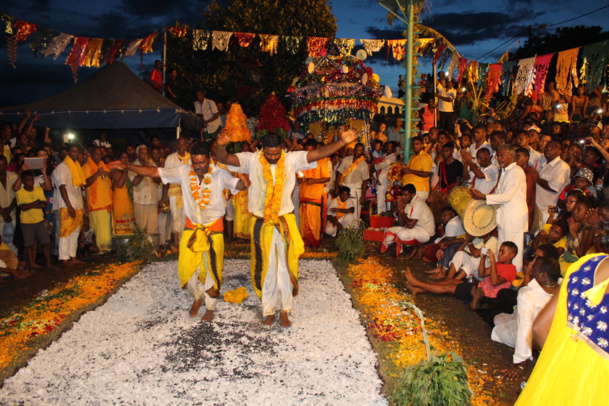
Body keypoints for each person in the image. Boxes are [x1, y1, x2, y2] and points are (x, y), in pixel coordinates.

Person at [215, 127, 360, 327]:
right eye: (269, 153)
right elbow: (225, 158)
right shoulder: (252, 160)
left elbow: (320, 152)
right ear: (262, 149)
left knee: (284, 267)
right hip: (261, 221)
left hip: (284, 220)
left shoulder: (291, 159)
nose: (273, 157)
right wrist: (221, 145)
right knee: (265, 267)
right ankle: (268, 309)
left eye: (276, 153)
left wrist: (342, 142)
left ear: (282, 149)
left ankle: (284, 309)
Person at [110, 142, 245, 322]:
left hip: (213, 229)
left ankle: (210, 306)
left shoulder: (219, 174)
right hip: (191, 228)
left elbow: (238, 185)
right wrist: (128, 166)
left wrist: (245, 180)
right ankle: (197, 296)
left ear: (209, 160)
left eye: (202, 163)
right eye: (195, 163)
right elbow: (155, 172)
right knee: (185, 268)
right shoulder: (183, 172)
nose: (198, 167)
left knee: (212, 269)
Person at [515, 251, 609, 404]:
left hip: (554, 377)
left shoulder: (585, 265)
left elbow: (539, 328)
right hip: (596, 390)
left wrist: (557, 363)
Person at [492, 257, 561, 381]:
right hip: (547, 340)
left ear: (543, 275)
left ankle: (480, 303)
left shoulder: (527, 294)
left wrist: (520, 363)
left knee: (496, 322)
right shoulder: (564, 288)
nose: (530, 271)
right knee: (502, 313)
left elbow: (525, 327)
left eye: (534, 269)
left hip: (528, 336)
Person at [471, 144, 528, 272]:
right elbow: (498, 194)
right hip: (504, 216)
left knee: (513, 252)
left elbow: (507, 196)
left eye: (502, 156)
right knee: (502, 250)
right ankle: (501, 277)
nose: (499, 158)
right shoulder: (505, 171)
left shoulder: (517, 172)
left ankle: (513, 278)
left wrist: (484, 197)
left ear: (512, 157)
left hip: (513, 218)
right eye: (498, 156)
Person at [53, 144, 85, 266]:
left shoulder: (76, 167)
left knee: (75, 231)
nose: (75, 154)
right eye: (73, 151)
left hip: (77, 204)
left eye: (77, 152)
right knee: (66, 232)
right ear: (68, 153)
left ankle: (72, 256)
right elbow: (62, 187)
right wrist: (69, 205)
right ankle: (64, 258)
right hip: (67, 204)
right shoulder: (63, 167)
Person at [380, 184, 435, 256]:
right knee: (388, 231)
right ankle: (395, 250)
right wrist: (399, 209)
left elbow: (410, 225)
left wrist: (402, 210)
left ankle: (421, 246)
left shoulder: (418, 203)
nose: (403, 197)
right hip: (415, 229)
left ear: (412, 194)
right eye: (402, 195)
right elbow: (401, 224)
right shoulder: (409, 202)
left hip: (426, 232)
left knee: (402, 234)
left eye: (406, 195)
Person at [16, 171, 54, 271]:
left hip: (39, 220)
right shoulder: (20, 192)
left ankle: (48, 263)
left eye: (32, 180)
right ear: (23, 182)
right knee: (29, 244)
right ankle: (31, 264)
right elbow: (23, 207)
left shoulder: (38, 189)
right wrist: (36, 202)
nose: (31, 182)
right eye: (28, 180)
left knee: (46, 242)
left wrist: (30, 205)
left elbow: (44, 204)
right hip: (26, 222)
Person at [299, 139, 330, 248]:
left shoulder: (321, 161)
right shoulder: (302, 161)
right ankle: (305, 243)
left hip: (314, 196)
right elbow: (298, 176)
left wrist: (314, 181)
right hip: (303, 194)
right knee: (303, 220)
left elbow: (327, 177)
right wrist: (301, 179)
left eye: (310, 149)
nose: (308, 152)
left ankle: (314, 242)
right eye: (306, 149)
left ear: (314, 149)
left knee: (314, 221)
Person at [82, 147, 113, 253]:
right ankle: (103, 251)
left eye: (100, 154)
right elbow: (85, 183)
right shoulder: (86, 167)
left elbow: (110, 177)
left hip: (107, 202)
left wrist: (107, 173)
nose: (98, 156)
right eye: (96, 154)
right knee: (101, 230)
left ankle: (106, 250)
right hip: (96, 204)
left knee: (106, 229)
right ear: (91, 154)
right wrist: (97, 174)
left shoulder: (103, 165)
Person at [162, 137, 191, 250]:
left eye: (183, 144)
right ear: (176, 145)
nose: (181, 146)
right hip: (174, 191)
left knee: (186, 216)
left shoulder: (190, 158)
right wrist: (164, 196)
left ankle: (184, 243)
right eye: (179, 144)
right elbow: (165, 177)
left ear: (186, 145)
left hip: (187, 192)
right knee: (175, 216)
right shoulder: (170, 158)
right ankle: (175, 243)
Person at [534, 140, 570, 229]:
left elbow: (554, 187)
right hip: (537, 207)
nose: (548, 149)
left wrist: (537, 179)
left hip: (548, 210)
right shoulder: (543, 162)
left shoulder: (561, 166)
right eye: (547, 147)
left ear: (560, 151)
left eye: (553, 147)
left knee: (543, 235)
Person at [130, 145, 160, 235]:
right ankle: (141, 249)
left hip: (152, 201)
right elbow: (134, 182)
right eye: (142, 153)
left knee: (152, 229)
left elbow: (159, 180)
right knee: (141, 229)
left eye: (146, 153)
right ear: (137, 155)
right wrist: (144, 169)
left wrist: (150, 170)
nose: (145, 155)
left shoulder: (152, 164)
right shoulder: (133, 166)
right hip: (140, 201)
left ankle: (151, 248)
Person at [335, 142, 369, 220]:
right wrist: (336, 187)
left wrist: (363, 195)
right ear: (354, 150)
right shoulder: (346, 160)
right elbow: (339, 173)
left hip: (356, 191)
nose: (357, 152)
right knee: (342, 209)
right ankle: (342, 230)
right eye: (356, 150)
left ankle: (354, 230)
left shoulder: (364, 165)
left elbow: (364, 182)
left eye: (360, 150)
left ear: (362, 152)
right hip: (344, 189)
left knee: (355, 212)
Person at [0, 155, 18, 254]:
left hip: (11, 214)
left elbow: (18, 195)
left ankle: (13, 264)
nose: (1, 167)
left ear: (7, 164)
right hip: (2, 214)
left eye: (3, 164)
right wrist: (3, 211)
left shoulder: (13, 176)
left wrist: (8, 210)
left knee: (11, 242)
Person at [374, 141, 397, 214]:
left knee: (382, 199)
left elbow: (382, 165)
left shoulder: (392, 157)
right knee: (380, 199)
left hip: (385, 180)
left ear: (394, 149)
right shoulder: (384, 155)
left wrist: (374, 166)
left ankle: (382, 215)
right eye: (387, 146)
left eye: (390, 147)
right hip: (380, 179)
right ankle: (380, 215)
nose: (388, 148)